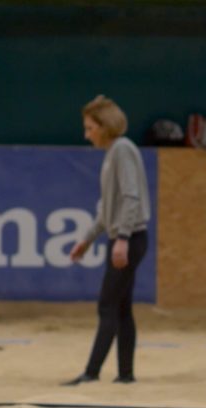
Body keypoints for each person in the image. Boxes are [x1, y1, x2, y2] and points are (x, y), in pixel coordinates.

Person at [63, 95, 151, 386]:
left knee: (107, 304)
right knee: (122, 307)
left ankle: (92, 372)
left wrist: (123, 238)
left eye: (90, 128)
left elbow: (131, 198)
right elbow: (107, 209)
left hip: (130, 237)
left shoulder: (122, 150)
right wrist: (87, 240)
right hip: (125, 236)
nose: (86, 135)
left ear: (105, 126)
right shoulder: (114, 152)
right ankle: (125, 374)